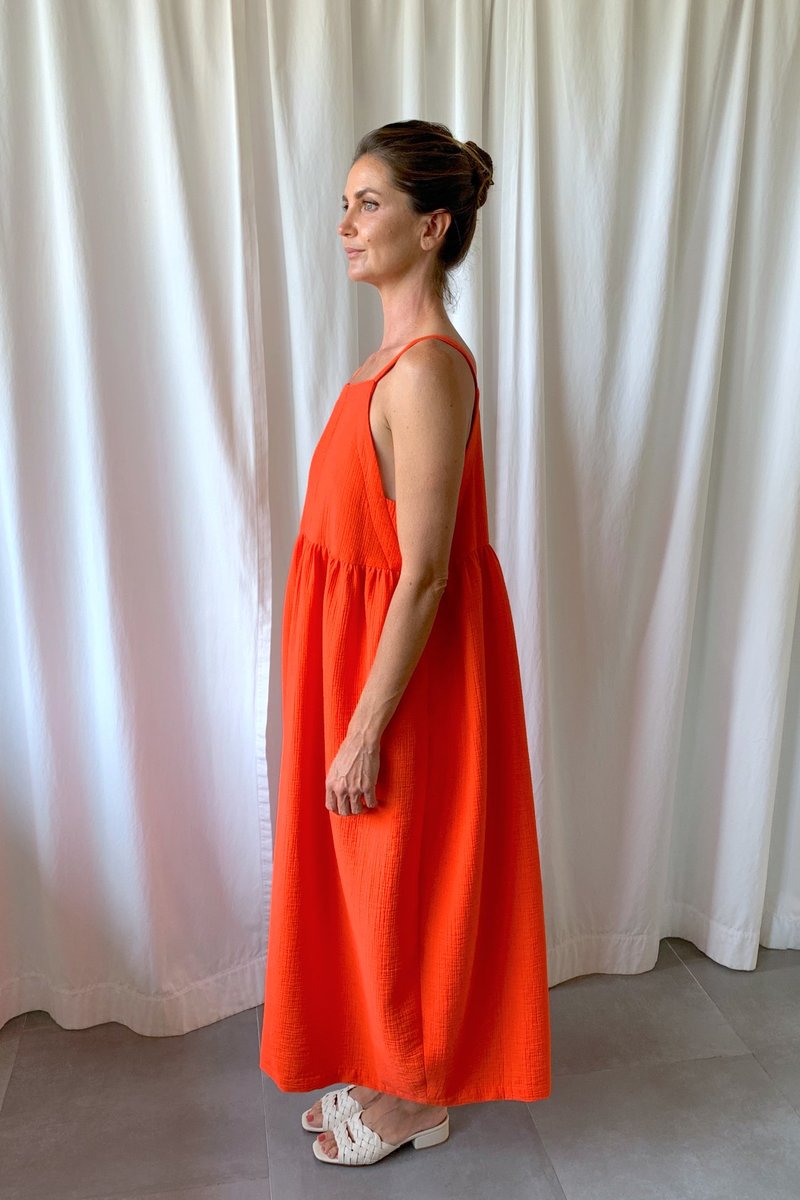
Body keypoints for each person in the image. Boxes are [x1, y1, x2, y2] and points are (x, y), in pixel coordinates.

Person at [259, 119, 551, 1168]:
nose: (345, 224)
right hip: (358, 657)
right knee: (365, 873)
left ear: (432, 227)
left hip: (407, 674)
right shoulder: (386, 361)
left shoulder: (426, 371)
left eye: (368, 203)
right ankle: (387, 1063)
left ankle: (416, 1094)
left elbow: (423, 574)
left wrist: (363, 727)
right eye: (344, 204)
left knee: (402, 877)